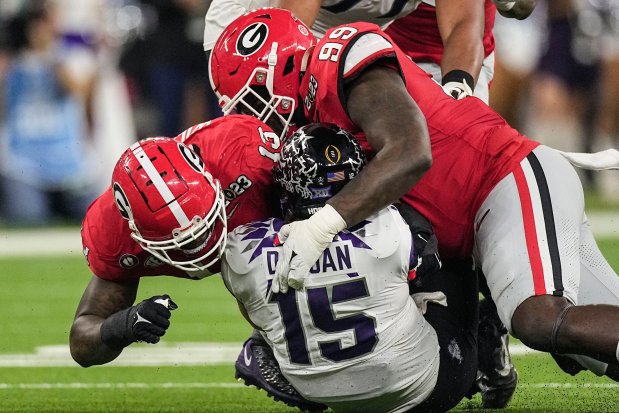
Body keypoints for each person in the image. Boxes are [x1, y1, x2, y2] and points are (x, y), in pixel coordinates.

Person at [209, 7, 619, 389]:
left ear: (280, 71)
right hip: (465, 231)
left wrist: (321, 226)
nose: (257, 118)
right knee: (595, 352)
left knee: (539, 321)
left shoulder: (344, 57)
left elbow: (410, 152)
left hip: (504, 180)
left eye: (255, 101)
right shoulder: (311, 122)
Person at [222, 123, 479, 413]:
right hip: (426, 389)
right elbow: (426, 266)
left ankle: (265, 350)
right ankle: (489, 354)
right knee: (455, 246)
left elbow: (254, 314)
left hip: (326, 395)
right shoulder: (388, 228)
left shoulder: (241, 248)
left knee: (265, 305)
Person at [69, 114, 283, 367]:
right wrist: (124, 324)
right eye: (181, 242)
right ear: (134, 227)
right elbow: (82, 343)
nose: (201, 245)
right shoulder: (112, 231)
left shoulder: (240, 151)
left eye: (204, 225)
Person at [0, 1, 99, 226]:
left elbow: (77, 90)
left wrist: (52, 52)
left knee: (94, 217)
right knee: (30, 218)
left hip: (68, 164)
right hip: (23, 165)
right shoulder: (11, 63)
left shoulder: (65, 58)